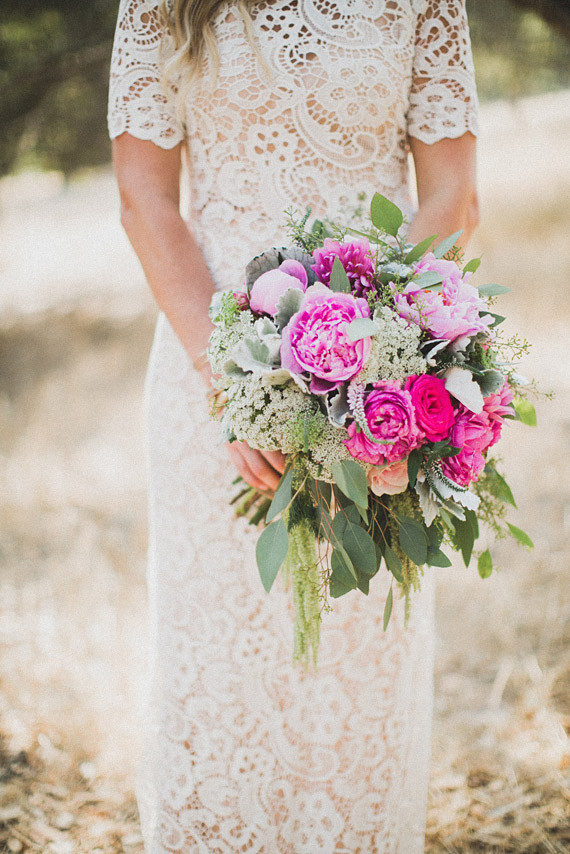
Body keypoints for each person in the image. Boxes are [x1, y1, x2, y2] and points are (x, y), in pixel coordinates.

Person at [108, 1, 479, 850]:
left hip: (377, 395)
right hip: (215, 381)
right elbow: (143, 199)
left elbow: (455, 196)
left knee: (354, 699)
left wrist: (364, 356)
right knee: (222, 691)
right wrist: (237, 383)